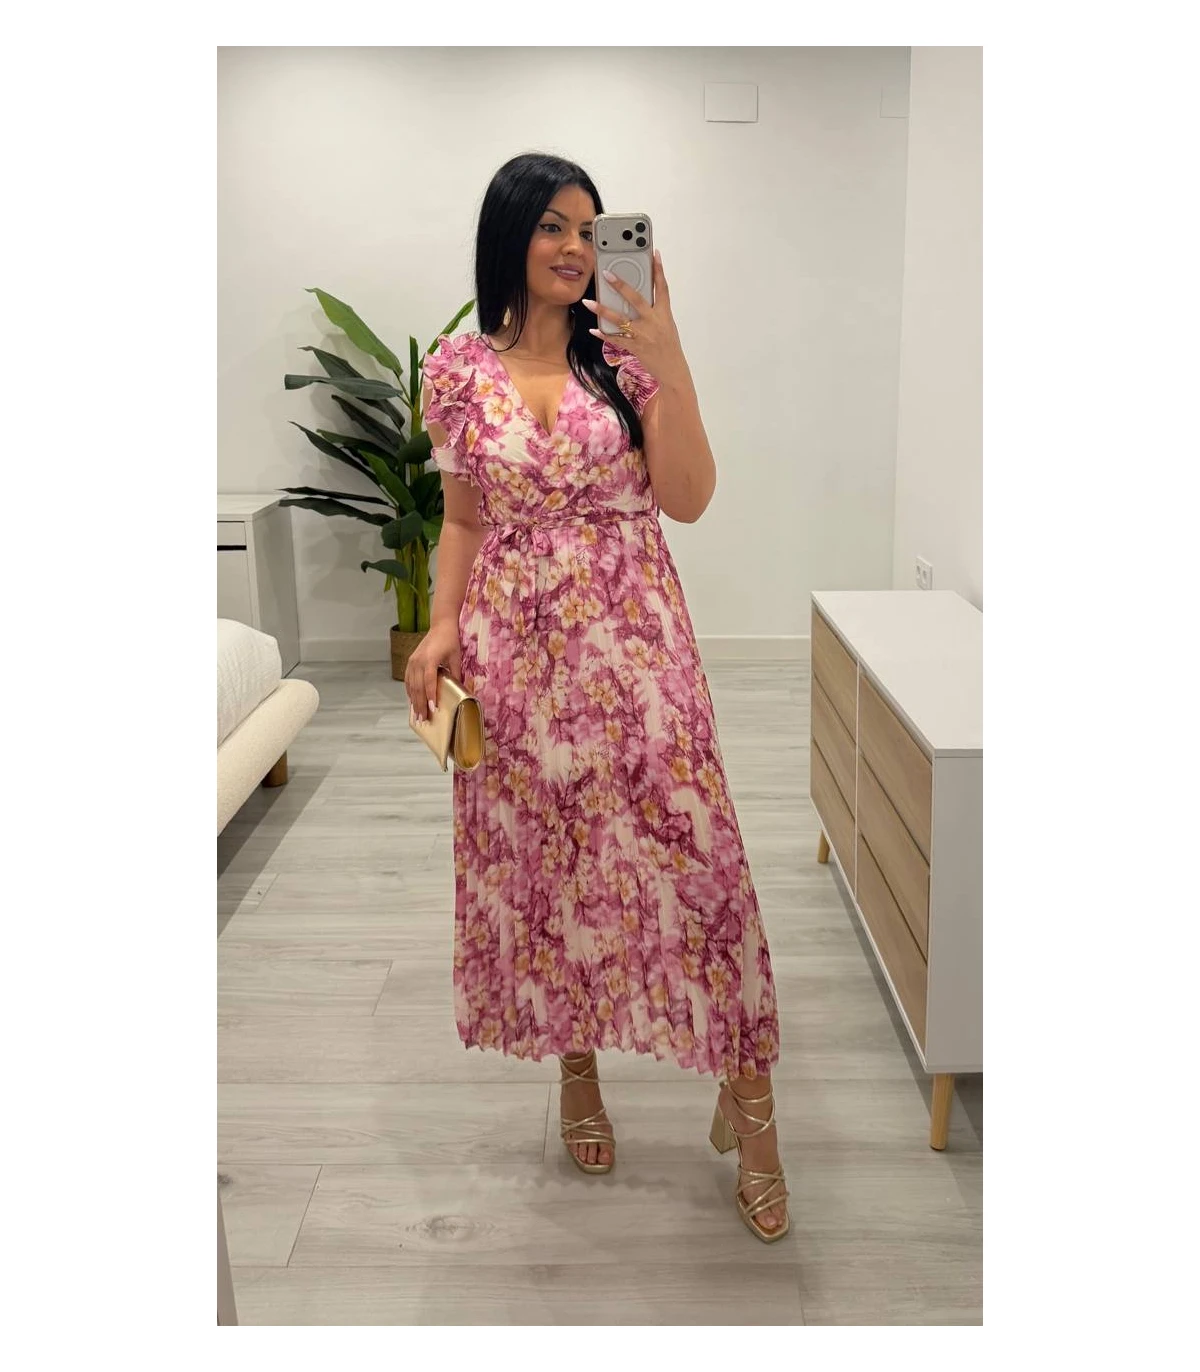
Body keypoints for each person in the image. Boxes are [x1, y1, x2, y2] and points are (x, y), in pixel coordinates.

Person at [405, 152, 789, 1242]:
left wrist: (670, 358)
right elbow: (466, 519)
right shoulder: (458, 370)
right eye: (552, 226)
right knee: (552, 868)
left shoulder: (627, 358)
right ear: (509, 236)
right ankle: (577, 1071)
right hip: (516, 660)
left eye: (590, 227)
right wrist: (440, 624)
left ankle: (754, 1110)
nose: (577, 247)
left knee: (704, 870)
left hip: (637, 652)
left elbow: (689, 500)